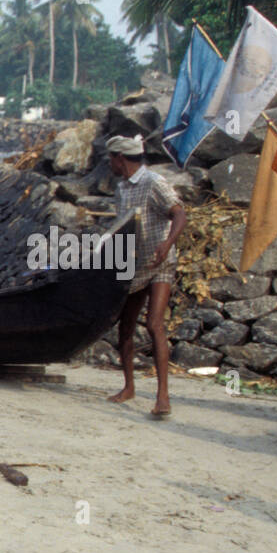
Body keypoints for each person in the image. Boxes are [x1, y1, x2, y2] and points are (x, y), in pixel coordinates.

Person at [105, 135, 187, 417]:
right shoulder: (121, 189)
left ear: (119, 158)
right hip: (135, 263)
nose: (110, 165)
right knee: (125, 328)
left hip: (160, 262)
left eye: (111, 159)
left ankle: (163, 396)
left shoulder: (154, 182)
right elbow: (122, 226)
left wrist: (167, 244)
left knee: (154, 324)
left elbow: (179, 214)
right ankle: (129, 386)